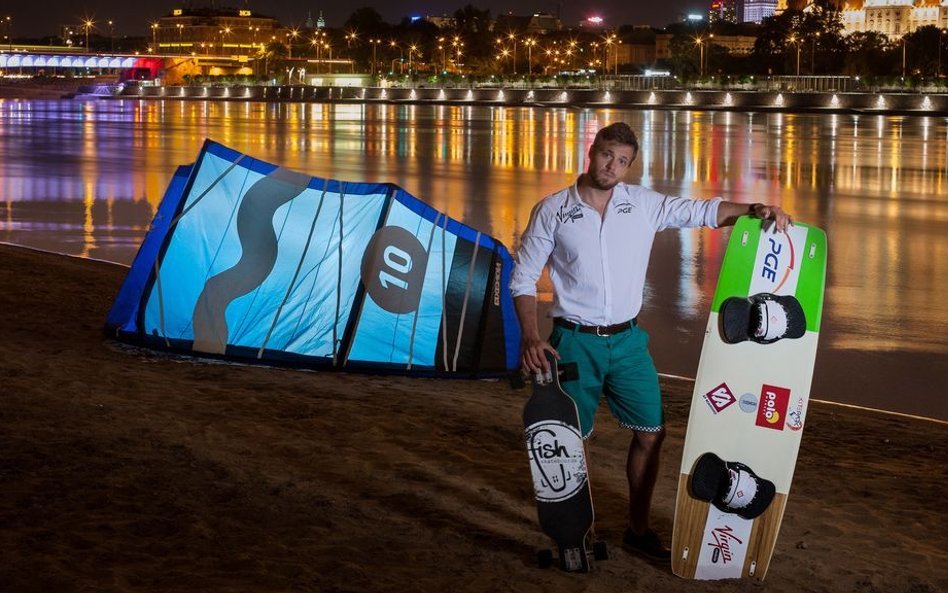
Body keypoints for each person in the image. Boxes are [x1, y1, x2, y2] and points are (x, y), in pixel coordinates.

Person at [510, 121, 791, 561]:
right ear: (592, 152)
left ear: (629, 165)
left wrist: (755, 208)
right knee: (572, 440)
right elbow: (523, 278)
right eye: (607, 155)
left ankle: (637, 530)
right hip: (572, 342)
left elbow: (701, 211)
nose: (613, 166)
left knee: (652, 433)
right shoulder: (553, 209)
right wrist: (529, 336)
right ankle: (579, 532)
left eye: (622, 161)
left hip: (627, 342)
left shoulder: (641, 204)